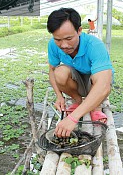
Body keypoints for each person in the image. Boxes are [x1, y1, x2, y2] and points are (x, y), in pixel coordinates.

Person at [47, 8, 114, 138]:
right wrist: (59, 96)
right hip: (77, 82)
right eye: (58, 39)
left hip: (94, 83)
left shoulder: (94, 45)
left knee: (99, 78)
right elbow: (51, 70)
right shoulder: (53, 45)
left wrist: (73, 118)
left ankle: (96, 106)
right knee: (59, 72)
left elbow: (104, 85)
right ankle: (78, 100)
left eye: (68, 38)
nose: (64, 45)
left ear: (79, 30)